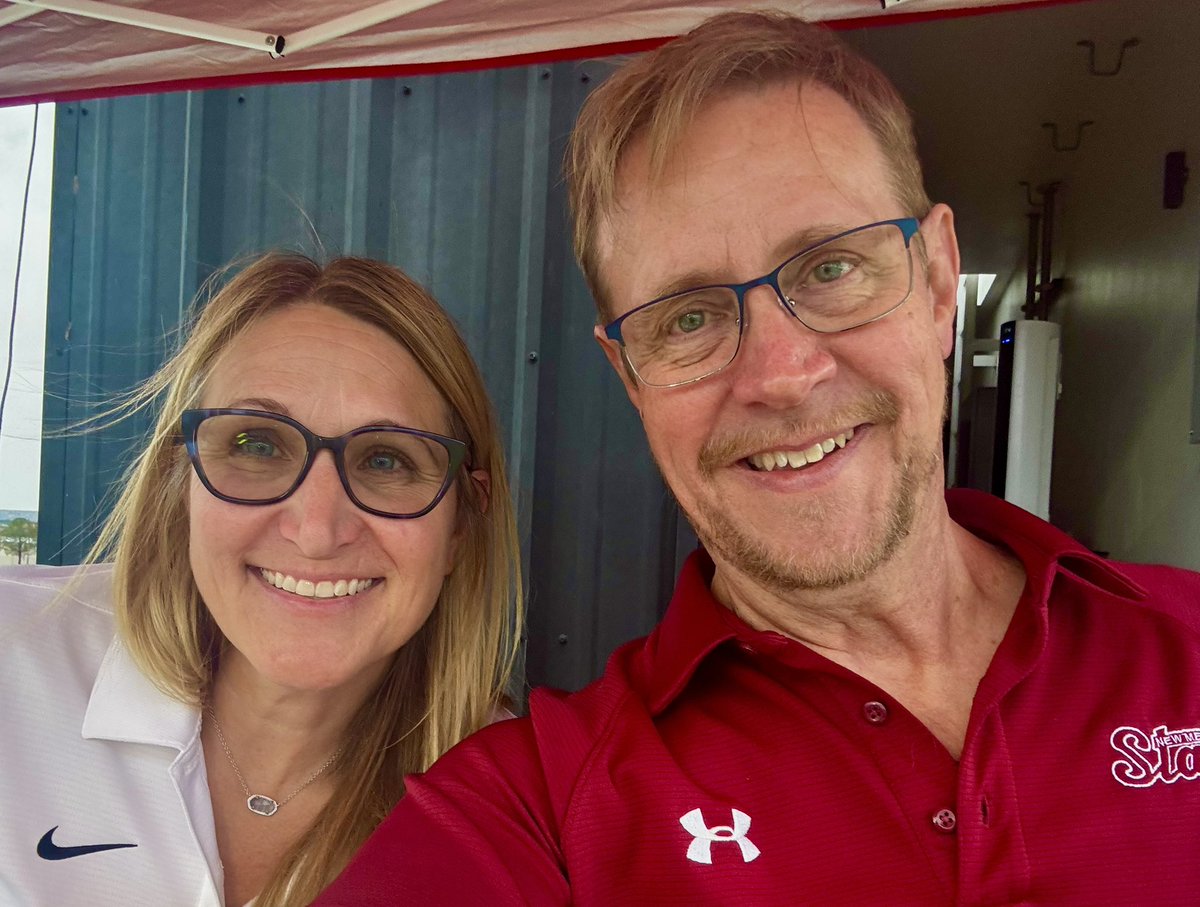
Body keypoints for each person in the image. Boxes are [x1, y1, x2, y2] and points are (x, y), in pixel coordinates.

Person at [315, 11, 1200, 906]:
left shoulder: (1188, 645)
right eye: (689, 318)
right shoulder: (541, 813)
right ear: (629, 374)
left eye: (829, 269)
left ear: (937, 282)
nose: (781, 374)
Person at [0, 252, 522, 906]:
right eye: (257, 445)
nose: (317, 529)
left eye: (385, 459)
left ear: (460, 527)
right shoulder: (15, 656)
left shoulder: (507, 811)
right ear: (179, 479)